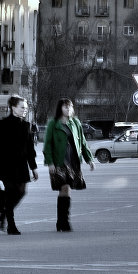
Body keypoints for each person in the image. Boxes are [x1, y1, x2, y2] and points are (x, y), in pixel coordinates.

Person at [42, 98, 95, 233]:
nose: (68, 109)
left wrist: (89, 159)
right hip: (59, 162)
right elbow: (47, 145)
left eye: (70, 107)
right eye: (66, 107)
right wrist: (50, 162)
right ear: (60, 108)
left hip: (73, 161)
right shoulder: (53, 124)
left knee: (67, 190)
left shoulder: (75, 123)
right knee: (64, 187)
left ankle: (61, 221)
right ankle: (64, 221)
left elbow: (82, 142)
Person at [0, 96, 39, 235]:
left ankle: (3, 215)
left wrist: (34, 168)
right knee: (11, 193)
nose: (25, 110)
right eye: (22, 107)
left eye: (26, 108)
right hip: (6, 166)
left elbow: (30, 149)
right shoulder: (3, 124)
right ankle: (11, 225)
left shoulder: (26, 125)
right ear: (13, 107)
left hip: (22, 166)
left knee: (22, 192)